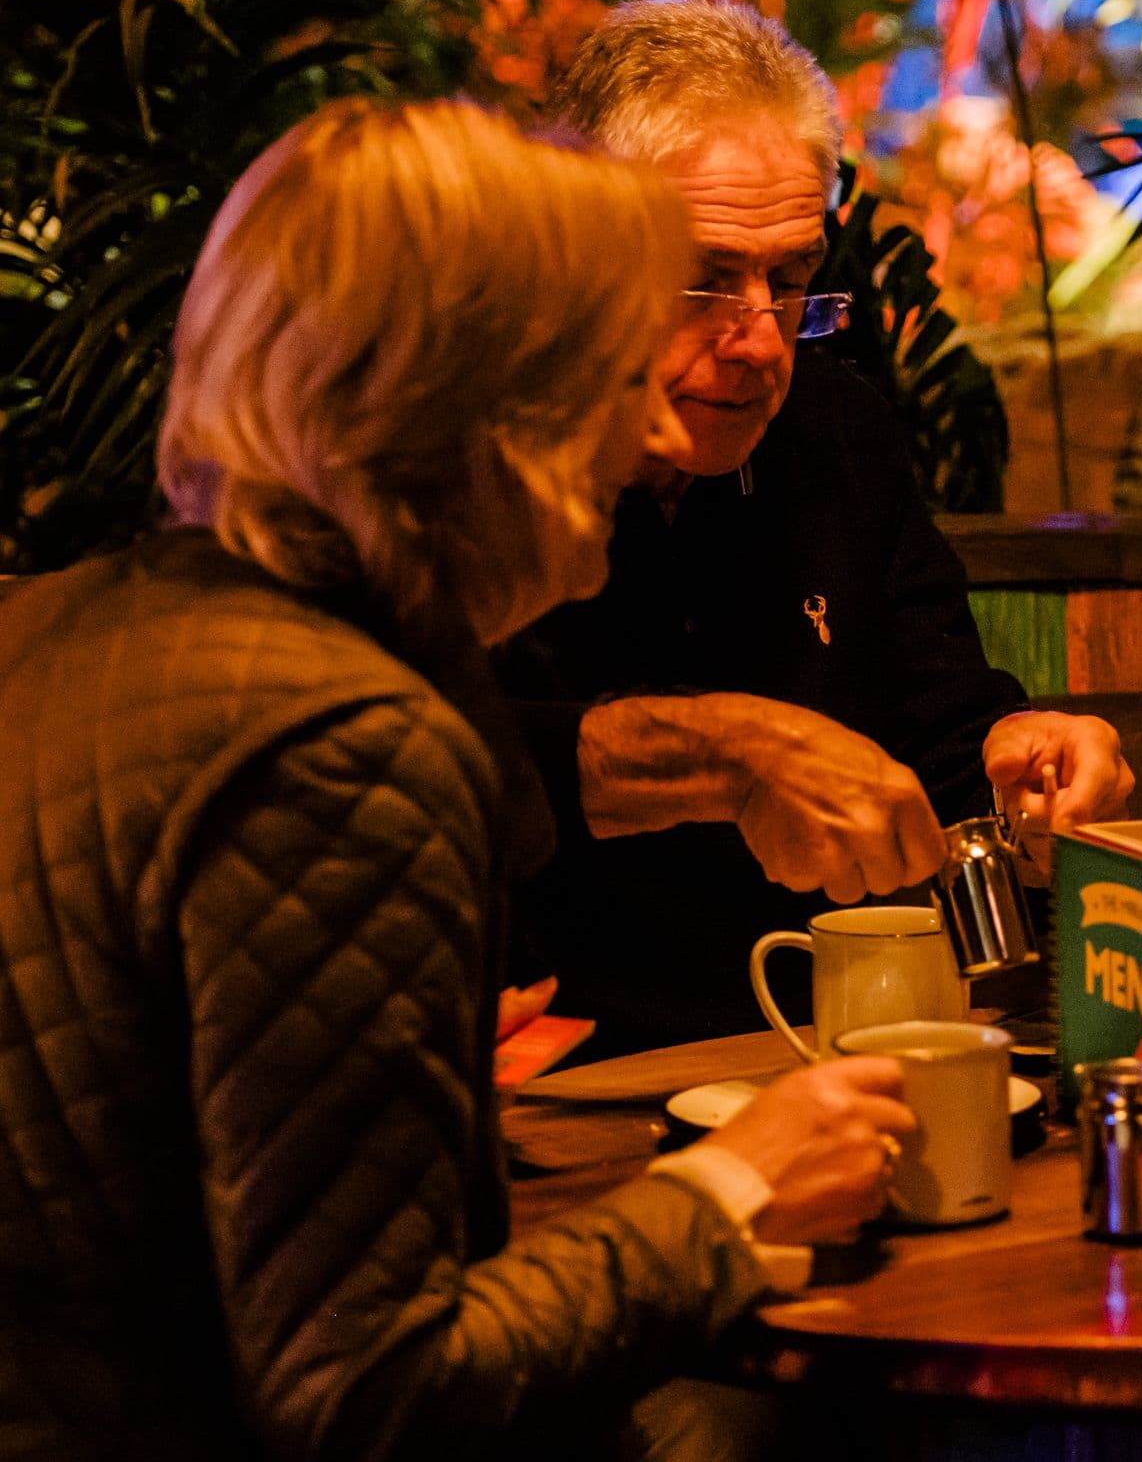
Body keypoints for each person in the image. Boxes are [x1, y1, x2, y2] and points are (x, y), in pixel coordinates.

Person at [0, 98, 915, 1460]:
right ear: (480, 413)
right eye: (614, 379)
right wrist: (735, 1186)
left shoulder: (57, 628)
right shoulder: (343, 744)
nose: (661, 443)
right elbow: (372, 1394)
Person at [500, 0, 1132, 1055]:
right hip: (560, 1075)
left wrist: (1020, 756)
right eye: (704, 281)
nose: (757, 343)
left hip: (831, 1044)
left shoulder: (832, 427)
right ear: (578, 250)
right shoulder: (477, 455)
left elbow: (938, 723)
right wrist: (726, 747)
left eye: (790, 282)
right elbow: (438, 749)